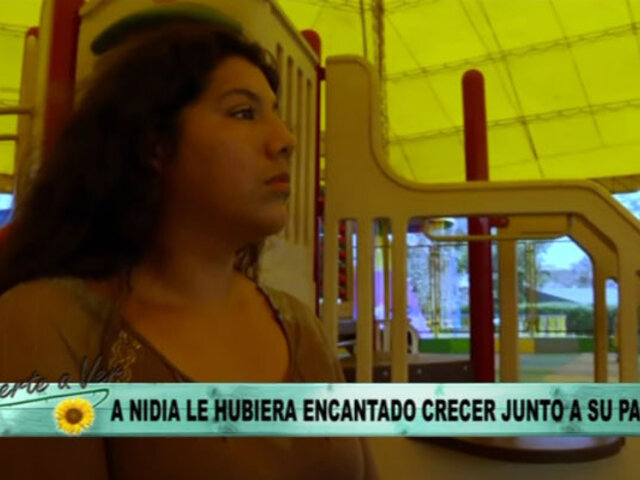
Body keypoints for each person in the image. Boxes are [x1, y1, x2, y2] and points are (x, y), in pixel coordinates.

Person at [0, 20, 379, 480]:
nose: (286, 140)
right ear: (155, 145)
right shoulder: (43, 323)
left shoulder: (302, 326)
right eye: (243, 113)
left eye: (277, 114)